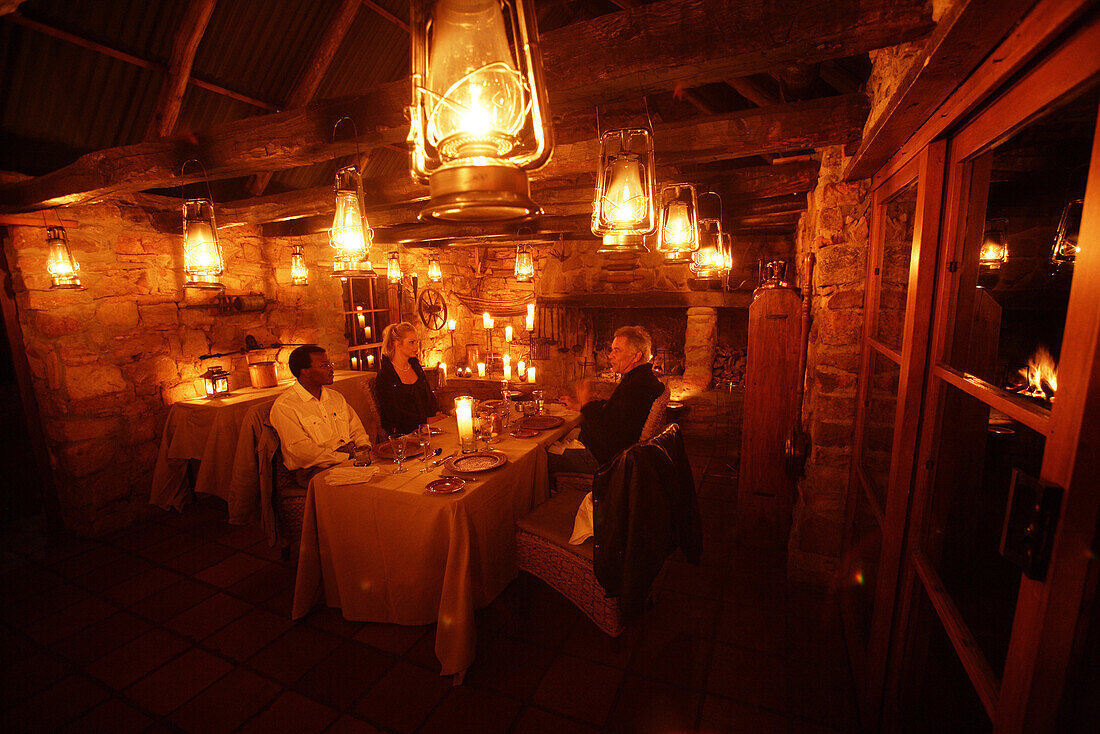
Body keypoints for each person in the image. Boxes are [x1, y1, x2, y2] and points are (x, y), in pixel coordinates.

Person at [555, 325, 664, 472]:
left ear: (636, 356)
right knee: (559, 437)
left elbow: (607, 436)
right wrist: (580, 405)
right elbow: (613, 410)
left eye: (617, 350)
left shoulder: (636, 387)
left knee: (541, 454)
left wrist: (586, 405)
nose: (610, 355)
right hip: (609, 449)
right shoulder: (640, 378)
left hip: (606, 459)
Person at [270, 345, 370, 486]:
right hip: (315, 469)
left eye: (330, 364)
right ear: (305, 371)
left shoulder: (335, 397)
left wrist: (363, 447)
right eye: (324, 366)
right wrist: (344, 457)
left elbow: (356, 428)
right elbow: (301, 453)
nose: (331, 369)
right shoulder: (285, 406)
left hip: (349, 459)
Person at [374, 322, 441, 436]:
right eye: (411, 342)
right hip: (403, 435)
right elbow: (393, 414)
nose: (416, 347)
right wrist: (425, 421)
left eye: (417, 342)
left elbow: (428, 396)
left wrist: (436, 413)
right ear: (397, 344)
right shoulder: (385, 376)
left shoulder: (415, 367)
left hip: (427, 429)